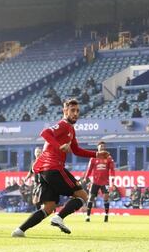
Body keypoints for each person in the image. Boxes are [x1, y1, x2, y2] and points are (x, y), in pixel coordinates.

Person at [11, 99, 110, 237]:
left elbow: (76, 150)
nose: (75, 114)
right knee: (83, 196)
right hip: (53, 168)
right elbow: (45, 133)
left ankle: (19, 230)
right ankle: (59, 218)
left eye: (77, 111)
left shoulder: (70, 130)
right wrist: (59, 146)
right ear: (65, 111)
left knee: (49, 207)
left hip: (42, 171)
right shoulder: (63, 125)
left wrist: (97, 154)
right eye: (72, 110)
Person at [80, 141, 115, 223]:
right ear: (98, 147)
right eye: (101, 146)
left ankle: (106, 216)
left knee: (106, 197)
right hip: (95, 182)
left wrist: (112, 182)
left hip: (105, 182)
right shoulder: (93, 158)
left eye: (104, 146)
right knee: (91, 198)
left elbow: (112, 170)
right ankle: (88, 216)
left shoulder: (108, 158)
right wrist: (86, 177)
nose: (102, 147)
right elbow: (89, 169)